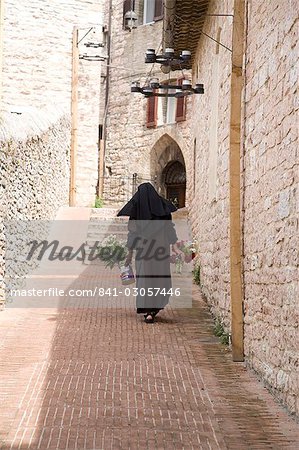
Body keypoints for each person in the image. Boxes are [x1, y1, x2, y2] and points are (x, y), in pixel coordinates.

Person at [117, 183, 179, 323]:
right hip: (161, 252)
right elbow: (170, 230)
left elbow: (132, 235)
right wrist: (175, 248)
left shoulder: (137, 212)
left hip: (144, 253)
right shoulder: (163, 209)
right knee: (160, 280)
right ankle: (154, 308)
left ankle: (148, 312)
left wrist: (129, 255)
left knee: (145, 282)